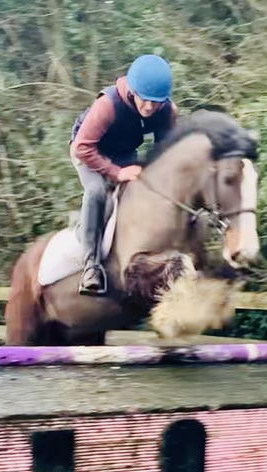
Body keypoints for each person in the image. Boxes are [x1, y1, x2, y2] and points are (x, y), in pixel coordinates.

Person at [69, 54, 178, 296]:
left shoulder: (166, 110)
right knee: (97, 191)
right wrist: (117, 173)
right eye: (144, 99)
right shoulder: (108, 105)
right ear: (132, 91)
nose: (149, 107)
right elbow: (82, 147)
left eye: (155, 102)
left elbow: (164, 151)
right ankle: (91, 266)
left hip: (124, 152)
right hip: (89, 150)